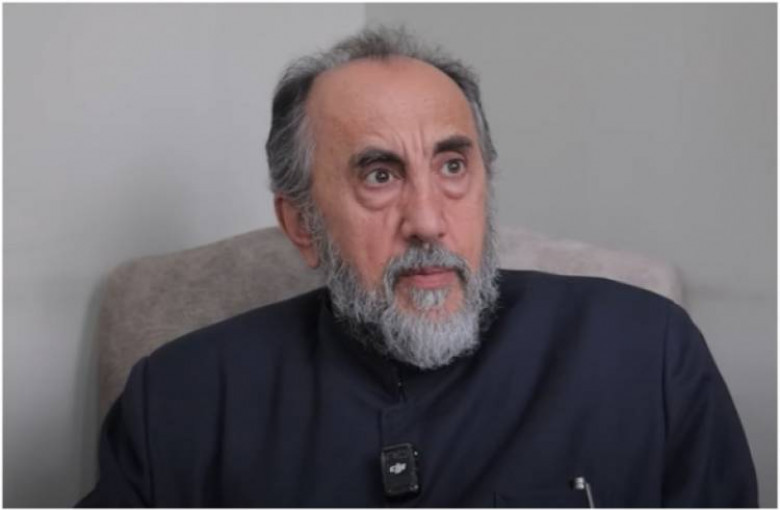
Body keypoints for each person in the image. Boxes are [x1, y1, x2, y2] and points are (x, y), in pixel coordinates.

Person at [78, 27, 757, 507]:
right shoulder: (183, 399)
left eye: (453, 166)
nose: (429, 221)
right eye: (380, 175)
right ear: (302, 225)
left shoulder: (644, 354)